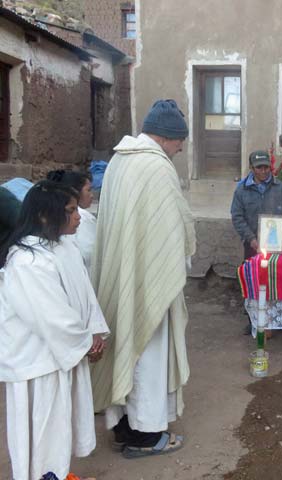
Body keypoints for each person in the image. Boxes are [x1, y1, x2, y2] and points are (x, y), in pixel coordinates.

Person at [90, 99, 196, 458]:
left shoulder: (120, 161)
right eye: (180, 140)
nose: (181, 148)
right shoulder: (156, 167)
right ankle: (146, 437)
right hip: (151, 281)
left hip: (125, 276)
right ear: (167, 137)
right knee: (149, 357)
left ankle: (124, 427)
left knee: (125, 351)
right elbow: (173, 226)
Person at [0, 180, 109, 480]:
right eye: (71, 211)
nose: (78, 217)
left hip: (59, 356)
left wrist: (95, 332)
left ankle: (58, 475)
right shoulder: (26, 261)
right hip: (38, 365)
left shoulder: (62, 247)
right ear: (45, 216)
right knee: (43, 435)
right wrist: (85, 342)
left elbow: (83, 293)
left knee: (58, 430)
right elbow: (52, 317)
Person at [231, 150, 282, 259]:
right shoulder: (241, 191)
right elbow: (237, 217)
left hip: (278, 245)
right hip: (252, 246)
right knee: (254, 274)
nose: (263, 171)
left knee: (276, 274)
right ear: (251, 168)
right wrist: (251, 238)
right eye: (259, 168)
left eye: (266, 167)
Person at [47, 170, 96, 270]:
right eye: (88, 190)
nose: (92, 195)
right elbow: (91, 254)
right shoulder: (84, 217)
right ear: (75, 191)